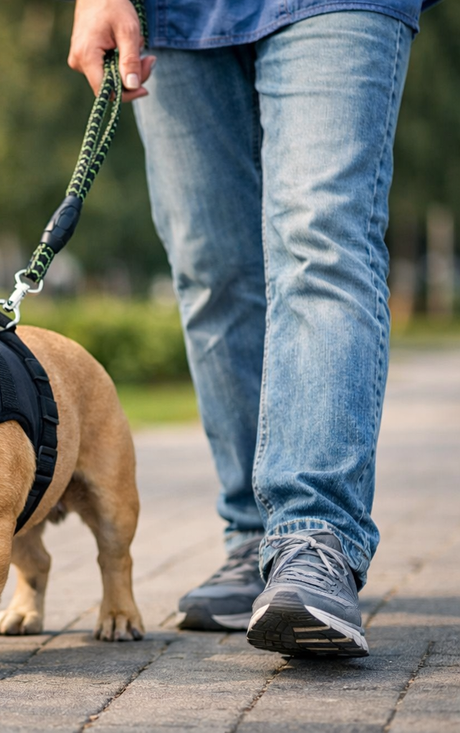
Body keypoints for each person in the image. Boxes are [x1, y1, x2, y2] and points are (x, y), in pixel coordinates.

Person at [68, 0, 436, 657]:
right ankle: (253, 535)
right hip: (175, 16)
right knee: (212, 267)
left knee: (321, 238)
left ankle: (314, 537)